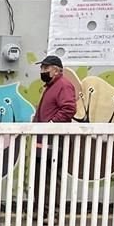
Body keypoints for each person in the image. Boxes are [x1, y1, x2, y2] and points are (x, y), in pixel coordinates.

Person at [32, 55, 77, 212]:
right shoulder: (51, 86)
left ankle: (51, 212)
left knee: (50, 177)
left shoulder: (63, 85)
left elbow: (69, 109)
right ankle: (41, 210)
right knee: (41, 176)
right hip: (43, 138)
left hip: (54, 139)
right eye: (42, 68)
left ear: (56, 70)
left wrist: (51, 125)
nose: (42, 71)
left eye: (46, 68)